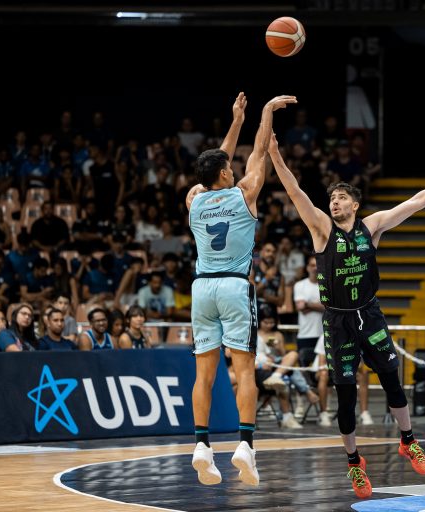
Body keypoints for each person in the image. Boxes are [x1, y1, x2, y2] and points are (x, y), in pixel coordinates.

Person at [268, 129, 425, 497]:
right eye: (332, 198)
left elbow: (416, 202)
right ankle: (354, 462)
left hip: (369, 314)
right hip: (338, 321)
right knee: (345, 397)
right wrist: (275, 155)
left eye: (341, 197)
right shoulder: (321, 228)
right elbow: (295, 191)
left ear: (355, 204)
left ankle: (408, 440)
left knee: (392, 379)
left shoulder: (371, 226)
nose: (334, 202)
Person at [187, 92, 297, 487]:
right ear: (224, 174)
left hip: (202, 289)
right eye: (227, 169)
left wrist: (235, 121)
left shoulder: (194, 199)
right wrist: (264, 113)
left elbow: (216, 162)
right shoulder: (245, 191)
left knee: (204, 374)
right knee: (244, 368)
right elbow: (260, 151)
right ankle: (246, 445)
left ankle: (202, 446)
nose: (233, 170)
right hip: (235, 286)